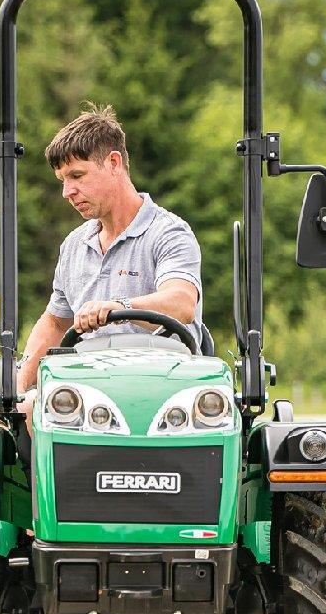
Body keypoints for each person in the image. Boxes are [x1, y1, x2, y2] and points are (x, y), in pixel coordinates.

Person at [16, 104, 204, 412]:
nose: (67, 191)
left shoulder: (169, 233)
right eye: (63, 179)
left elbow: (181, 303)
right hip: (86, 391)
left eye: (77, 175)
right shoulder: (75, 245)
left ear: (113, 163)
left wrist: (122, 307)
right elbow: (55, 321)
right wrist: (19, 385)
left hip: (163, 386)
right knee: (26, 406)